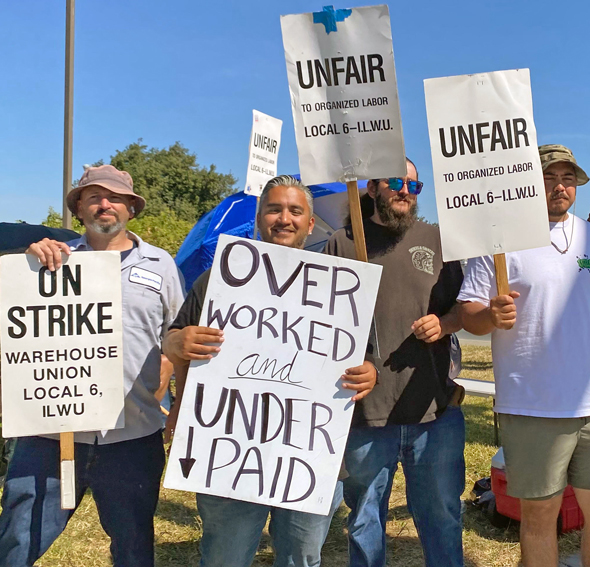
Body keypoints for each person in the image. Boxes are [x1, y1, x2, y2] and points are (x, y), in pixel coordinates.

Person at [163, 174, 378, 567]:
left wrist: (369, 373)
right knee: (224, 558)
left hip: (309, 453)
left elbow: (364, 359)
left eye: (295, 211)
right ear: (259, 219)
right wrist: (176, 342)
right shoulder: (220, 279)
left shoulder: (338, 292)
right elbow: (174, 338)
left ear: (310, 224)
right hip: (227, 449)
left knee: (301, 558)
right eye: (274, 209)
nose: (284, 218)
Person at [459, 145, 590, 567]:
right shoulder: (499, 240)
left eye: (567, 178)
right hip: (532, 406)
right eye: (549, 177)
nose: (560, 186)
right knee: (540, 518)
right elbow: (468, 313)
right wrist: (490, 314)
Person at [0, 164, 185, 567]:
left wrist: (166, 389)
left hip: (132, 437)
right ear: (79, 209)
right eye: (94, 197)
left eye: (115, 198)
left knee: (133, 548)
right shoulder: (50, 261)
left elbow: (175, 338)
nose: (105, 205)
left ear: (130, 209)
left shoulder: (161, 265)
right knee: (17, 541)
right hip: (50, 435)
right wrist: (28, 259)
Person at [324, 158, 465, 567]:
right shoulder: (343, 242)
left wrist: (445, 322)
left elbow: (464, 307)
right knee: (365, 520)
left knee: (442, 518)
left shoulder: (439, 240)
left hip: (432, 410)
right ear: (372, 188)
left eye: (414, 186)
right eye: (396, 182)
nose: (406, 191)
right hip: (366, 415)